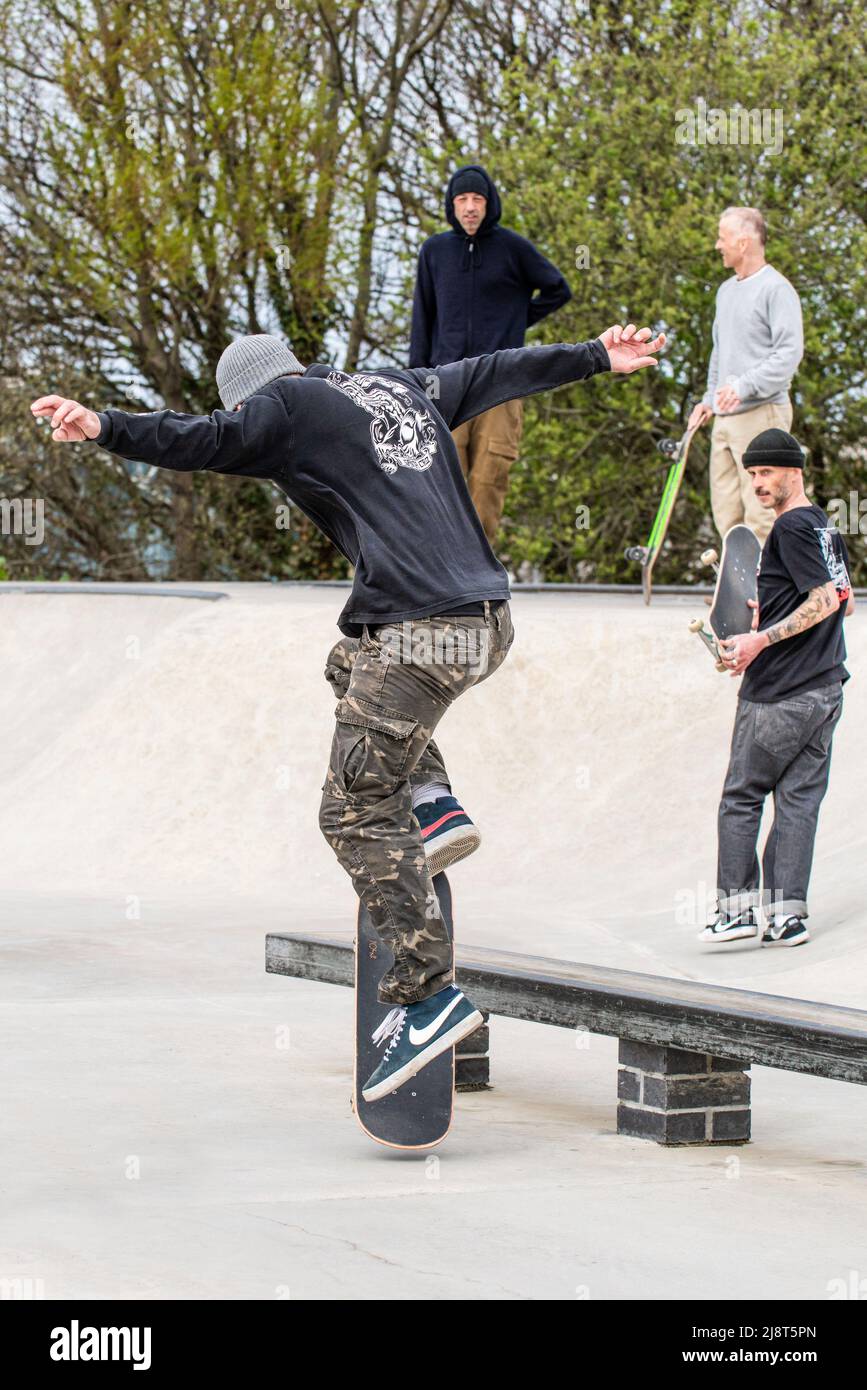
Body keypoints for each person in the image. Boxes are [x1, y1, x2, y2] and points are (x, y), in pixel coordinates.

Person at [31, 321, 665, 1100]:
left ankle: (427, 995)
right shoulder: (398, 384)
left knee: (353, 809)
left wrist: (103, 426)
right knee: (347, 664)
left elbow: (200, 440)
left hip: (424, 636)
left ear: (253, 393)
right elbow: (497, 367)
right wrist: (595, 355)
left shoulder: (281, 409)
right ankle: (431, 804)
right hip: (486, 622)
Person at [699, 429, 853, 950]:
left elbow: (826, 602)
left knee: (741, 798)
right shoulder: (823, 528)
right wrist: (766, 611)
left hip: (780, 693)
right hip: (826, 687)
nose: (758, 484)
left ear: (794, 470)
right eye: (752, 475)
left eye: (766, 473)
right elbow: (844, 598)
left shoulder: (789, 528)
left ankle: (737, 910)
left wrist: (756, 642)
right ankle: (787, 915)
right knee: (798, 801)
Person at [410, 164, 572, 545]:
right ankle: (442, 569)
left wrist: (514, 324)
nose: (469, 207)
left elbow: (557, 289)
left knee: (488, 477)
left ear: (489, 204)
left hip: (500, 381)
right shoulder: (434, 252)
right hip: (445, 385)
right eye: (462, 200)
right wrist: (415, 381)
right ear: (452, 205)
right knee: (441, 477)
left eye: (477, 200)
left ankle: (479, 570)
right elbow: (423, 316)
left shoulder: (512, 248)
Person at [687, 207, 803, 544]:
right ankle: (736, 592)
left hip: (761, 413)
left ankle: (766, 592)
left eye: (722, 238)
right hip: (725, 418)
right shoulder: (726, 291)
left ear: (743, 242)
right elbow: (719, 352)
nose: (716, 245)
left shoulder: (776, 289)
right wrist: (709, 400)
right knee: (726, 512)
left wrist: (744, 385)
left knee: (762, 511)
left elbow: (788, 354)